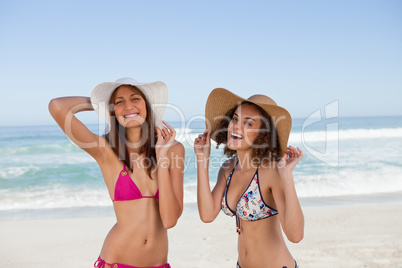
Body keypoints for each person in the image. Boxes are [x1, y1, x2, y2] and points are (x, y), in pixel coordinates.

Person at [49, 78, 184, 268]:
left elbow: (170, 220)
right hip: (116, 261)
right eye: (119, 102)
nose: (128, 106)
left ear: (147, 104)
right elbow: (57, 107)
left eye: (135, 99)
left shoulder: (173, 150)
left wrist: (161, 158)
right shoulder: (106, 152)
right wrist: (101, 105)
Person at [194, 88, 304, 268]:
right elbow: (207, 215)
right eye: (235, 119)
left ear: (263, 134)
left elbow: (296, 235)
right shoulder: (227, 169)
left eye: (248, 123)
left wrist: (286, 175)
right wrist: (201, 160)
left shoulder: (271, 172)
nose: (236, 126)